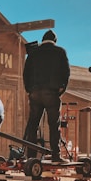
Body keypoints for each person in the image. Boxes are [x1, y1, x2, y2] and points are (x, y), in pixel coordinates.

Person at [23, 29, 70, 163]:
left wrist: (29, 89)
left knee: (33, 124)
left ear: (42, 39)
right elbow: (66, 72)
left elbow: (26, 73)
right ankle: (55, 155)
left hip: (35, 93)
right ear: (54, 41)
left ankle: (31, 156)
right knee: (54, 125)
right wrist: (61, 90)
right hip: (51, 93)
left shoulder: (33, 53)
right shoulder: (60, 52)